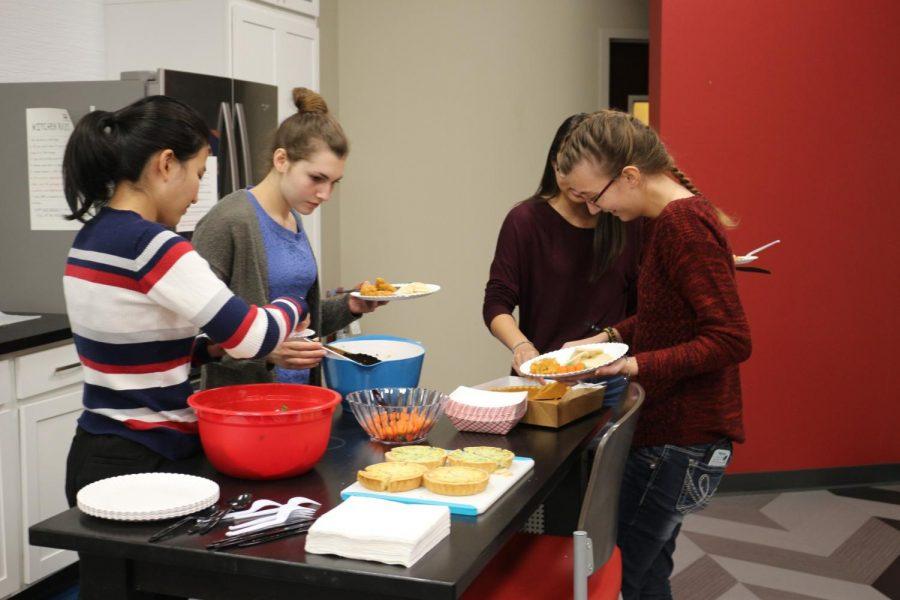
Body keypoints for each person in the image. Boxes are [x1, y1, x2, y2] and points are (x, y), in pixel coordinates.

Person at [62, 96, 305, 506]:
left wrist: (204, 350)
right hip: (145, 459)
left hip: (96, 450)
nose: (196, 194)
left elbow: (131, 353)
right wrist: (293, 304)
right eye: (198, 174)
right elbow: (251, 337)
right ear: (166, 163)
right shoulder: (152, 244)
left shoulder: (92, 236)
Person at [556, 109, 752, 599]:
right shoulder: (665, 222)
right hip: (670, 434)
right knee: (648, 576)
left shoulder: (684, 224)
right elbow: (667, 316)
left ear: (629, 176)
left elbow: (731, 338)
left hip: (682, 440)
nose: (595, 211)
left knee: (624, 577)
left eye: (594, 197)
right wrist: (602, 340)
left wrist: (632, 364)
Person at [193, 88, 381, 389]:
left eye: (334, 183)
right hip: (243, 407)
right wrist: (263, 353)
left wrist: (351, 305)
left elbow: (303, 323)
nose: (325, 194)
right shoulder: (230, 221)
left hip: (297, 398)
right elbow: (192, 337)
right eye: (316, 179)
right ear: (281, 160)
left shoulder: (293, 219)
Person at [483, 114, 641, 374]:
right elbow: (497, 302)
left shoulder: (624, 217)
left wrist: (608, 340)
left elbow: (643, 309)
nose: (575, 185)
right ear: (554, 163)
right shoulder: (525, 220)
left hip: (612, 373)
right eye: (564, 168)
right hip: (545, 375)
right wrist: (521, 345)